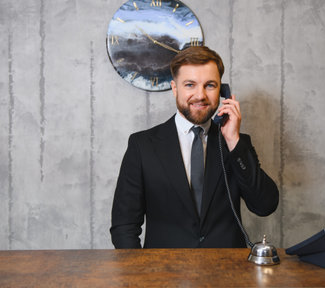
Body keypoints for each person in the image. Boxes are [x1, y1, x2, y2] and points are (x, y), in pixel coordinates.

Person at [110, 46, 279, 248]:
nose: (200, 95)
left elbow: (265, 205)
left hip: (228, 272)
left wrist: (233, 141)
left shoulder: (236, 144)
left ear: (222, 91)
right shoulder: (142, 146)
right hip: (164, 273)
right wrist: (143, 275)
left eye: (210, 85)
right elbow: (124, 226)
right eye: (190, 85)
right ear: (175, 88)